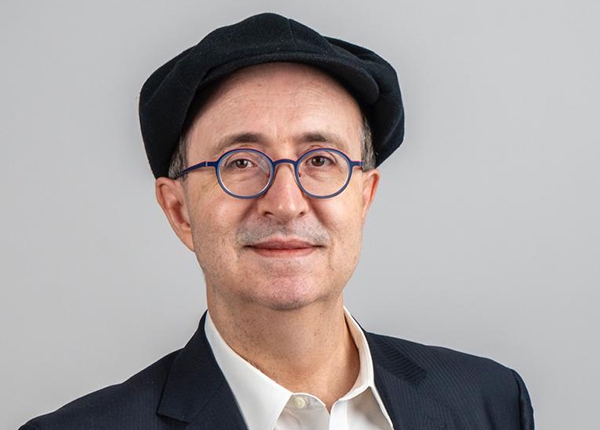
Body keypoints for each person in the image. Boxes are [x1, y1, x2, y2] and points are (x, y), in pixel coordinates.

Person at [20, 13, 534, 430]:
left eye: (320, 160)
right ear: (179, 211)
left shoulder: (490, 403)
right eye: (241, 162)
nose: (285, 203)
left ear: (365, 197)